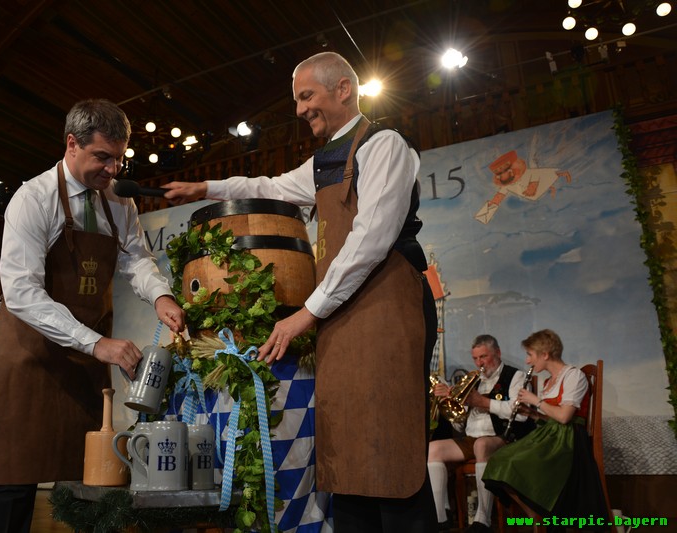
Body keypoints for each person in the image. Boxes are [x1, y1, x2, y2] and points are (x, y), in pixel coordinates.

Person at [163, 51, 438, 532]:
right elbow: (266, 185)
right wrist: (206, 187)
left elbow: (370, 240)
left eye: (306, 96)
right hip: (343, 317)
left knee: (390, 447)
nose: (298, 110)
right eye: (296, 100)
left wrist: (305, 313)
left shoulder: (384, 145)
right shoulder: (322, 163)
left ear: (344, 89)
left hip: (387, 312)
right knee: (348, 453)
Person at [0, 99, 185, 533]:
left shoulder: (118, 203)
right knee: (9, 489)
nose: (112, 170)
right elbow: (23, 294)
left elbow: (136, 260)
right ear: (72, 144)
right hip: (25, 360)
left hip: (82, 368)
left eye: (118, 159)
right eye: (102, 157)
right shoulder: (33, 199)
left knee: (91, 491)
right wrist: (97, 342)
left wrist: (161, 296)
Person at [481, 329, 610, 532]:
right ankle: (540, 518)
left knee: (512, 463)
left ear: (545, 354)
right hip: (551, 435)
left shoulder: (573, 375)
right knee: (499, 459)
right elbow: (552, 417)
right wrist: (532, 414)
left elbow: (565, 417)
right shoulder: (550, 381)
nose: (527, 361)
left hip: (567, 442)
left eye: (530, 355)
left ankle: (541, 519)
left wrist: (536, 401)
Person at [427, 334, 535, 532]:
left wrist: (483, 402)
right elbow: (460, 426)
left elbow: (520, 415)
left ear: (498, 353)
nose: (480, 363)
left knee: (481, 445)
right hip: (471, 438)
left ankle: (482, 519)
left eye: (484, 357)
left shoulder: (516, 376)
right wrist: (449, 406)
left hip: (503, 437)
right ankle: (440, 517)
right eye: (476, 358)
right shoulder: (473, 380)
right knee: (433, 449)